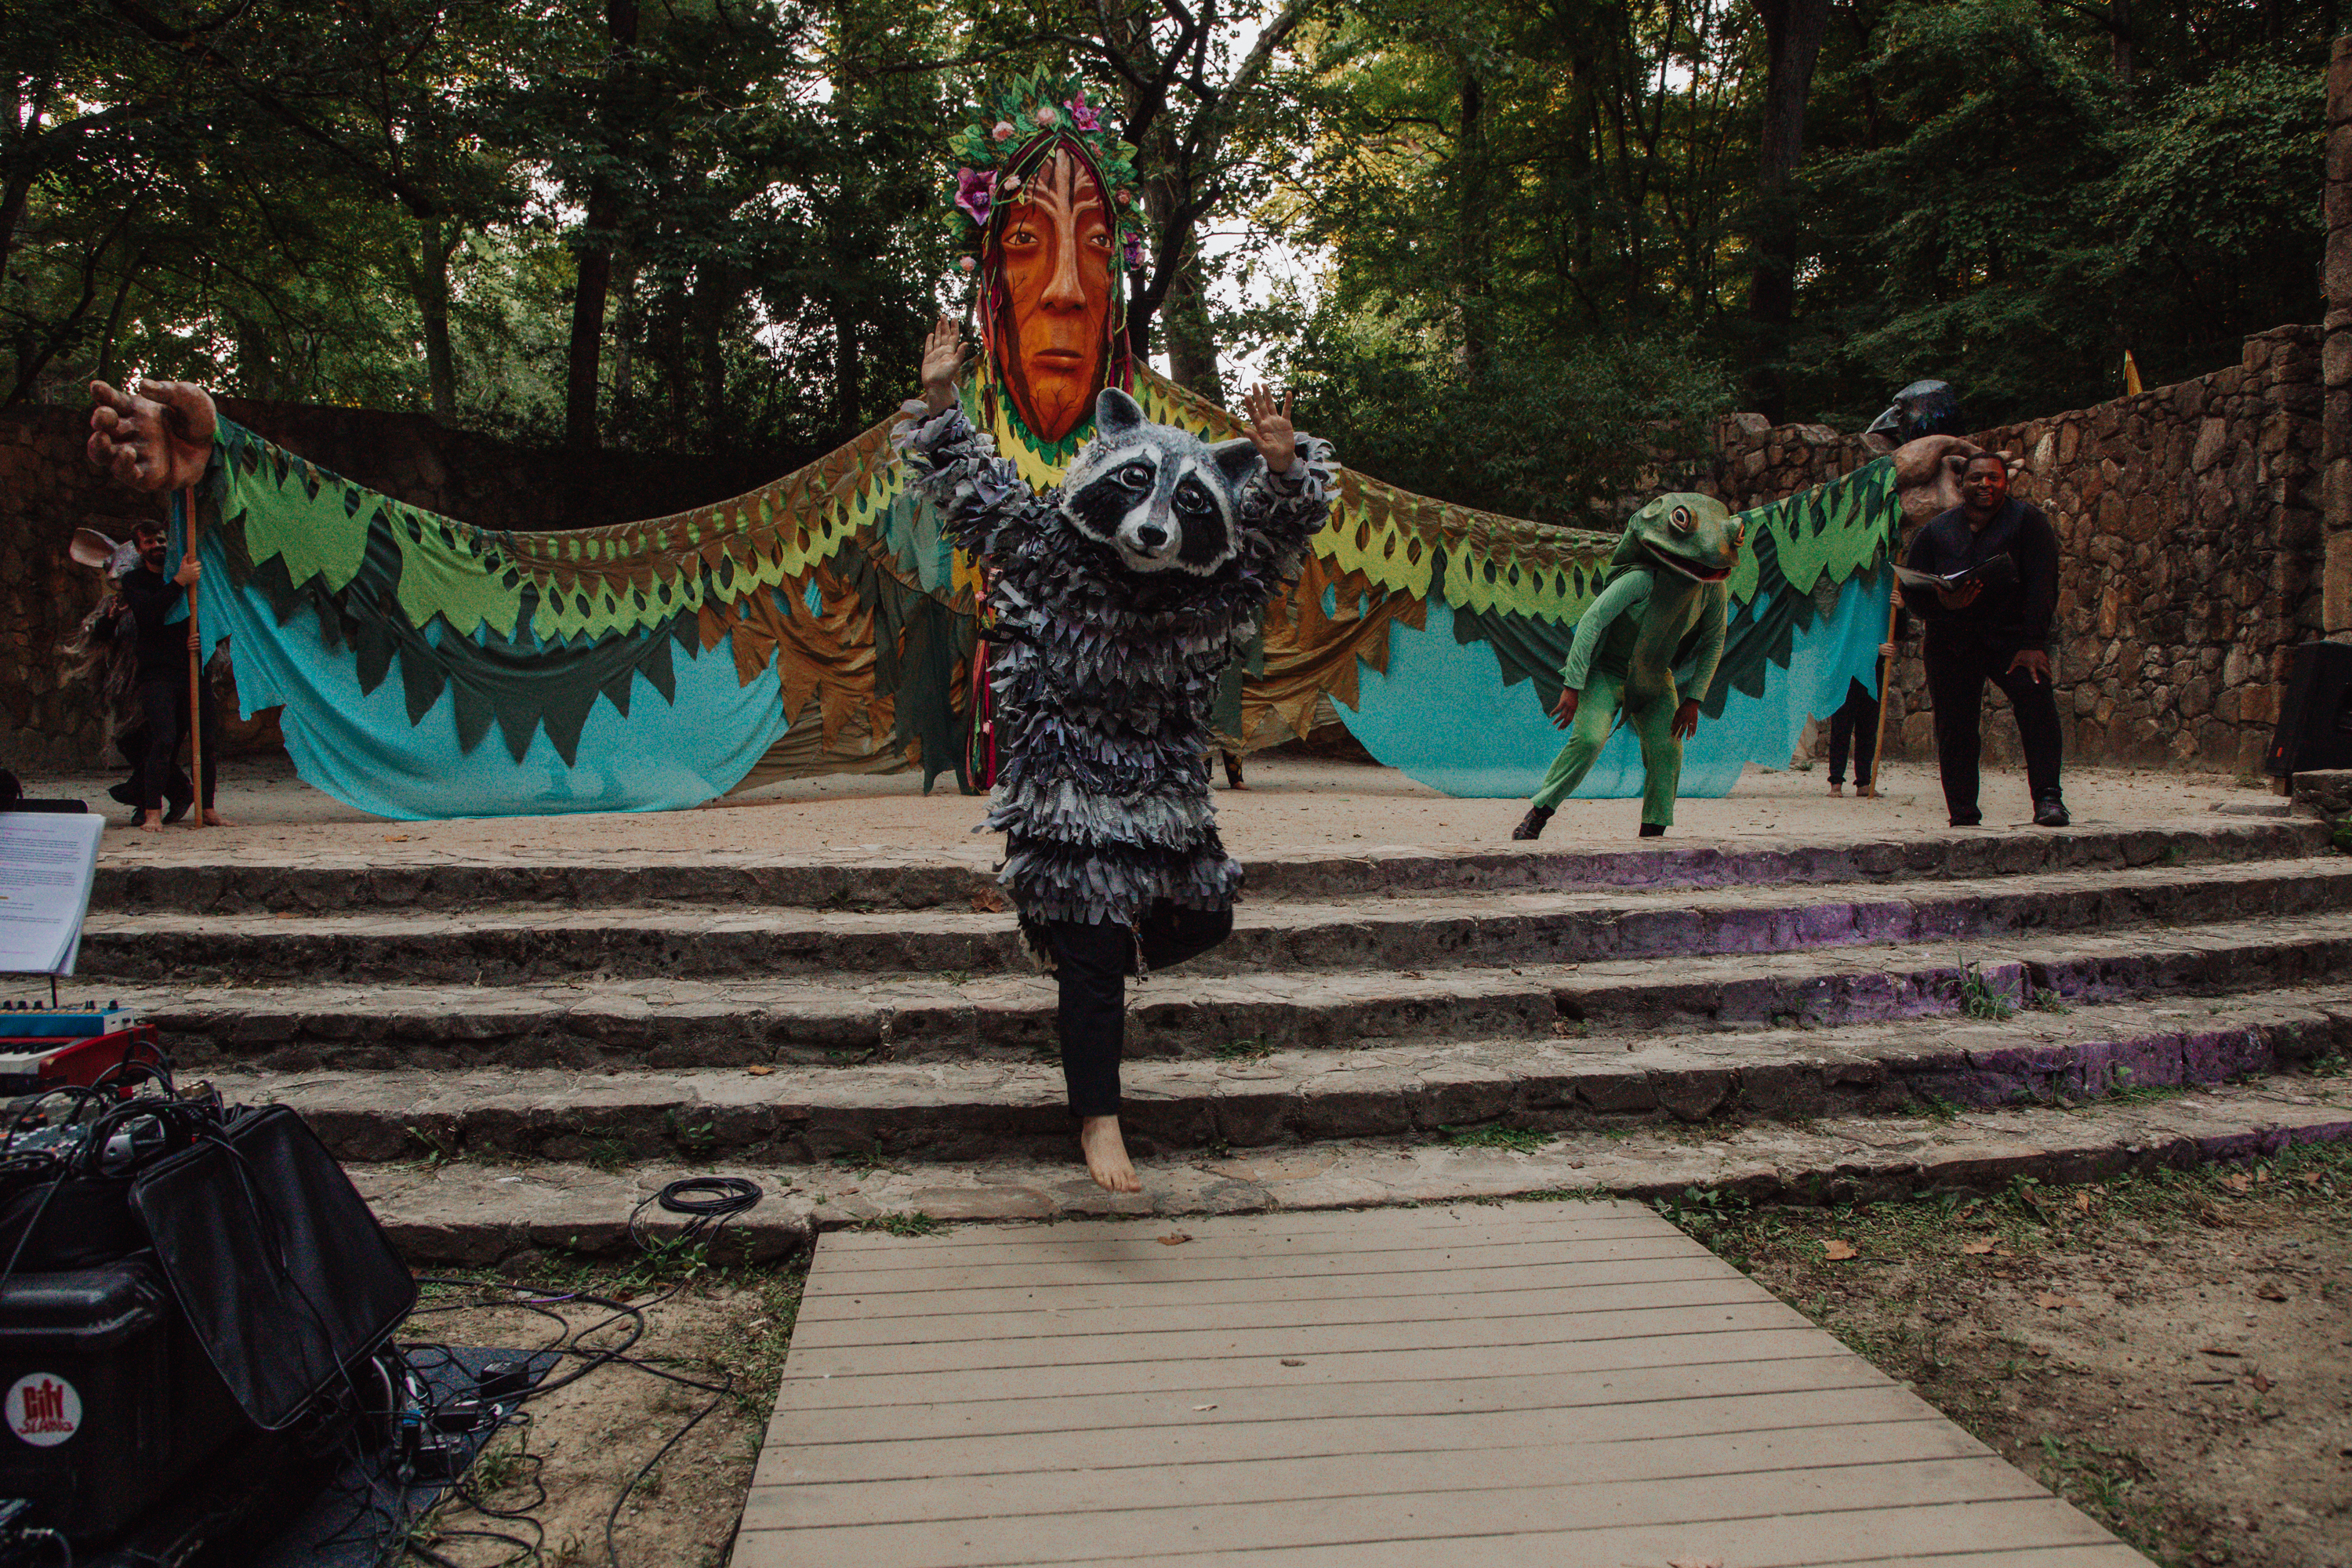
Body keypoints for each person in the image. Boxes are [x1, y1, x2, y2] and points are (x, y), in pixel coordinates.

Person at [1899, 452, 2066, 828]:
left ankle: (2049, 799)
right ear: (1961, 484)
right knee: (1955, 727)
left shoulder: (2029, 523)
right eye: (1976, 478)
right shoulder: (1936, 531)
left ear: (2006, 483)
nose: (1985, 485)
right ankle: (1962, 811)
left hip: (2014, 640)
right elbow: (1913, 589)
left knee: (2037, 708)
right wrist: (1944, 600)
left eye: (1993, 478)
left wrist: (2034, 642)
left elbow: (2043, 584)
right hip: (1952, 640)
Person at [116, 520, 227, 831]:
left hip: (193, 670)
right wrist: (179, 581)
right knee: (163, 740)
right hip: (158, 675)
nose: (158, 546)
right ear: (139, 549)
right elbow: (150, 615)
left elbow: (215, 615)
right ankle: (153, 811)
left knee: (205, 742)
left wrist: (204, 639)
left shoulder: (193, 579)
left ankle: (207, 809)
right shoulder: (135, 581)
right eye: (150, 542)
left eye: (161, 540)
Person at [1828, 613, 1906, 797]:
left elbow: (1899, 632)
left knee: (1868, 729)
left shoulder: (1884, 601)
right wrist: (1874, 649)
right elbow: (1842, 639)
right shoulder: (1851, 602)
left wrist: (1901, 608)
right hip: (1847, 676)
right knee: (1842, 727)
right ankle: (1836, 781)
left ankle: (1864, 782)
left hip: (1875, 675)